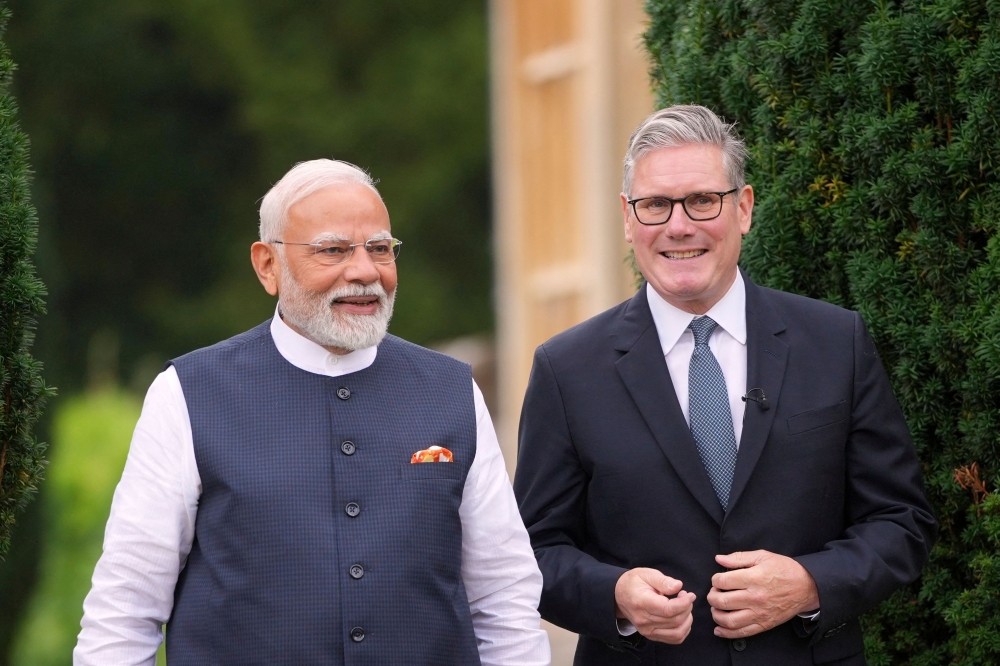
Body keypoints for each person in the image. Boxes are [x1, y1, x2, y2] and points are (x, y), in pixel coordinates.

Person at [75, 159, 550, 665]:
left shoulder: (451, 390)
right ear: (267, 266)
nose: (365, 271)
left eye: (380, 249)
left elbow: (504, 597)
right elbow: (124, 609)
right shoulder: (187, 394)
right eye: (333, 250)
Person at [513, 105, 936, 665]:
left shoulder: (836, 342)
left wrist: (810, 582)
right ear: (627, 217)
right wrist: (614, 596)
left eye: (702, 201)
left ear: (744, 207)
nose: (678, 226)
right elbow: (529, 553)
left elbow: (902, 522)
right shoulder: (566, 369)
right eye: (656, 205)